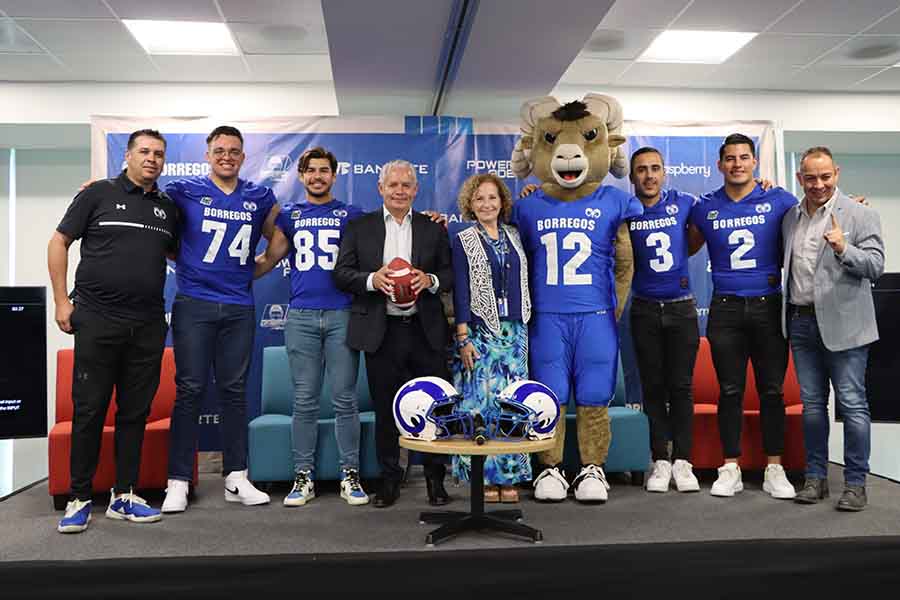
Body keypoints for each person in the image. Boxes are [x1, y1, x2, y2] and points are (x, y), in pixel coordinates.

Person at [50, 129, 177, 533]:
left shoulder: (168, 208)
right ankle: (80, 497)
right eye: (144, 152)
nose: (151, 159)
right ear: (127, 156)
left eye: (158, 154)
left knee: (135, 413)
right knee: (89, 411)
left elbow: (178, 253)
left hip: (147, 324)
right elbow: (59, 242)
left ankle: (124, 495)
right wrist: (61, 301)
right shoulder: (97, 194)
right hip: (97, 319)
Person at [161, 126, 279, 513]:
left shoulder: (259, 195)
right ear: (207, 154)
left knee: (233, 391)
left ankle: (236, 476)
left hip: (238, 305)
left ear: (243, 157)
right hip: (194, 302)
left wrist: (257, 269)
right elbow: (154, 221)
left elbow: (280, 234)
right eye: (219, 150)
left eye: (234, 151)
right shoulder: (183, 190)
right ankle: (177, 480)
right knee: (190, 390)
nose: (226, 155)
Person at [333, 159, 454, 508]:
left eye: (406, 185)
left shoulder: (434, 228)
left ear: (416, 190)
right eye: (393, 185)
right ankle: (390, 480)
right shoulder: (360, 227)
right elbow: (342, 274)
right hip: (381, 332)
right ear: (380, 189)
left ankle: (435, 480)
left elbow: (448, 275)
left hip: (425, 331)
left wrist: (428, 280)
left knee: (436, 406)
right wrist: (374, 279)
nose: (399, 191)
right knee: (386, 409)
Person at [254, 147, 369, 507]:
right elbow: (270, 258)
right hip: (301, 316)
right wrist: (226, 279)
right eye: (311, 171)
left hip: (342, 314)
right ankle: (303, 476)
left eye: (324, 171)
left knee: (344, 398)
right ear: (301, 176)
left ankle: (350, 474)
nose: (318, 176)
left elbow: (381, 243)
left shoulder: (352, 215)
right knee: (303, 401)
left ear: (334, 175)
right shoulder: (290, 215)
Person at [687, 133, 798, 499]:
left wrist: (849, 212)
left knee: (771, 390)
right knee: (730, 390)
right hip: (726, 307)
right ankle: (730, 465)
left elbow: (813, 221)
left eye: (744, 157)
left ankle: (774, 467)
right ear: (720, 165)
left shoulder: (779, 199)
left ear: (755, 163)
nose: (737, 164)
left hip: (769, 303)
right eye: (730, 159)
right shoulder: (704, 207)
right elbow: (682, 245)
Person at [783, 146, 884, 511]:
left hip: (847, 325)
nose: (818, 184)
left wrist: (844, 248)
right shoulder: (790, 217)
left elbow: (875, 266)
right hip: (801, 323)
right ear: (800, 179)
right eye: (810, 177)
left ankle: (856, 484)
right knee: (812, 406)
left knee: (853, 404)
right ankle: (815, 478)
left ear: (836, 174)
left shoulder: (860, 214)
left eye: (825, 176)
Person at [451, 173, 532, 503]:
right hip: (480, 333)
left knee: (512, 403)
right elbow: (459, 287)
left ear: (502, 202)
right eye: (480, 198)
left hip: (515, 333)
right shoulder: (463, 237)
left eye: (493, 198)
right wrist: (462, 336)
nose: (487, 204)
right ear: (470, 204)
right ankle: (484, 478)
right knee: (480, 405)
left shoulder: (514, 235)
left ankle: (509, 475)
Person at [626, 148, 701, 493]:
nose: (649, 175)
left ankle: (683, 460)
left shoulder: (684, 202)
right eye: (641, 170)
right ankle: (660, 460)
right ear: (632, 176)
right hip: (643, 307)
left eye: (655, 168)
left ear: (665, 172)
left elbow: (710, 223)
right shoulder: (626, 209)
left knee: (682, 387)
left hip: (681, 307)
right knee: (652, 387)